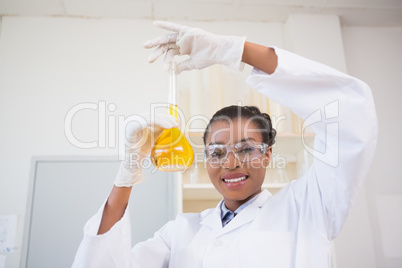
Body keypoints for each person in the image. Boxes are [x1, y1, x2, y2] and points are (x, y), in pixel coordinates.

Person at [72, 21, 378, 267]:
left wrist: (234, 50)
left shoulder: (307, 208)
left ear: (268, 154)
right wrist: (129, 170)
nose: (230, 163)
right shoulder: (181, 231)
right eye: (216, 152)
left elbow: (350, 110)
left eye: (246, 148)